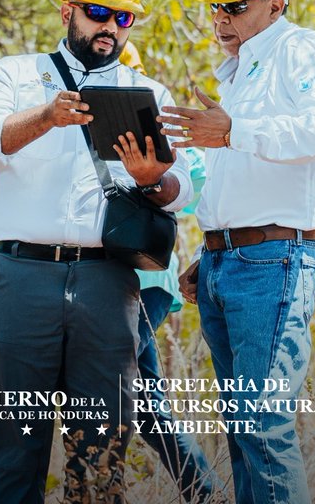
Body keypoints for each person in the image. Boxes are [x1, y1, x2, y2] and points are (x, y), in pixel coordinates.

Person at [0, 0, 194, 504]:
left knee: (102, 451)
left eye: (123, 17)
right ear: (67, 7)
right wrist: (46, 116)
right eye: (97, 11)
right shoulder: (13, 74)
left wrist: (151, 178)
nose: (110, 27)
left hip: (107, 285)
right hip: (21, 276)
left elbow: (178, 190)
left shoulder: (150, 94)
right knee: (15, 445)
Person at [157, 0, 315, 504]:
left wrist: (233, 130)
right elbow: (247, 176)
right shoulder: (239, 71)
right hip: (232, 264)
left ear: (277, 2)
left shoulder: (302, 50)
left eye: (236, 7)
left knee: (263, 428)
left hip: (275, 261)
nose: (221, 19)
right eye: (215, 7)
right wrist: (212, 252)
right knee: (245, 433)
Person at [119, 43, 221, 504]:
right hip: (110, 280)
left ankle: (202, 493)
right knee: (141, 403)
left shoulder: (167, 136)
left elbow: (197, 191)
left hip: (145, 282)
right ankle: (204, 492)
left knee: (124, 393)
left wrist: (152, 177)